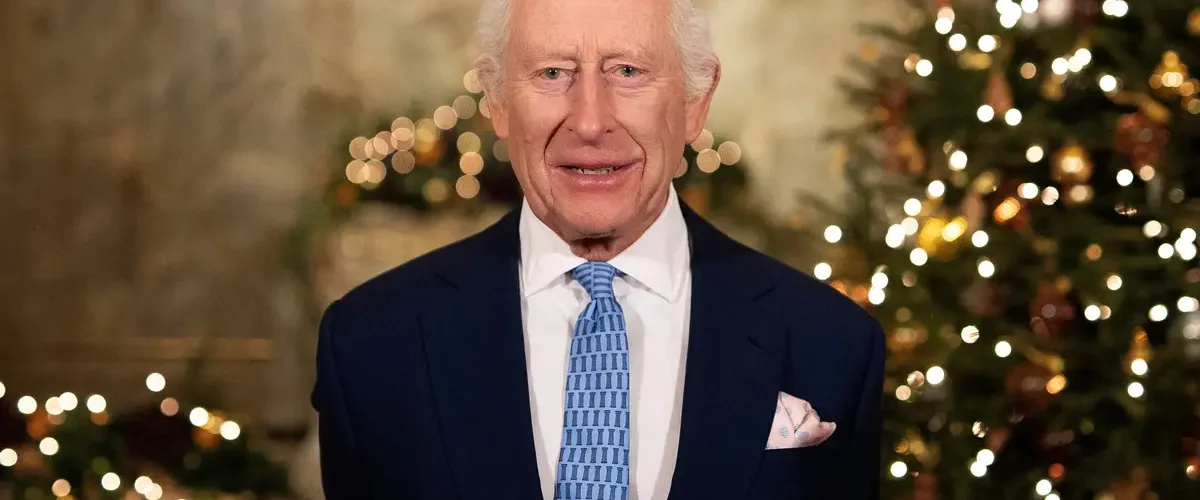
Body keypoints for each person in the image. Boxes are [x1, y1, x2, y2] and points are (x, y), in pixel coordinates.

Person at [311, 0, 885, 498]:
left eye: (628, 71)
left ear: (695, 100)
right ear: (497, 100)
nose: (589, 122)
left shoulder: (831, 344)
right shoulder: (371, 344)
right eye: (552, 72)